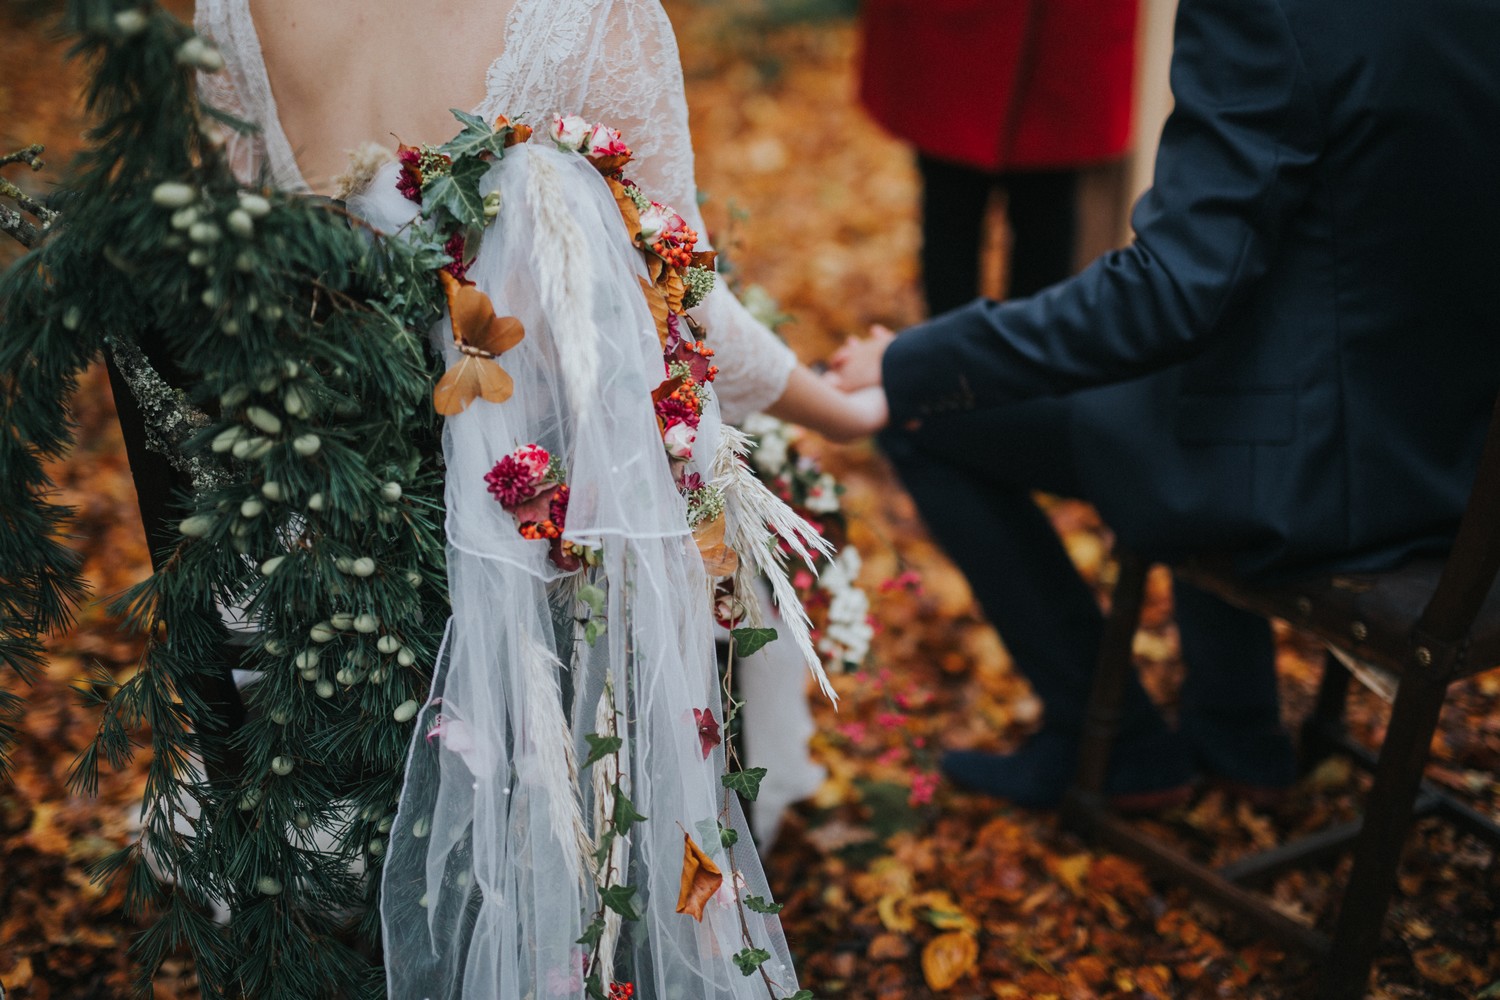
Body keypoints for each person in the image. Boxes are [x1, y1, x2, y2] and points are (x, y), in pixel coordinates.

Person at [192, 1, 885, 997]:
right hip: (540, 548)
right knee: (728, 472)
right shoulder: (586, 13)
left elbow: (243, 273)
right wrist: (846, 412)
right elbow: (684, 305)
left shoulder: (226, 9)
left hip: (328, 539)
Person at [831, 0, 1500, 809]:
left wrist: (912, 359)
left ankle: (1112, 740)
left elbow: (1172, 294)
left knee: (919, 412)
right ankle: (1237, 733)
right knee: (1200, 374)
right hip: (1457, 467)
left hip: (1315, 483)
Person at [857, 0, 1140, 313]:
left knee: (1046, 223)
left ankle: (1025, 339)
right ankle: (948, 339)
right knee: (948, 212)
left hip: (1061, 36)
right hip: (950, 33)